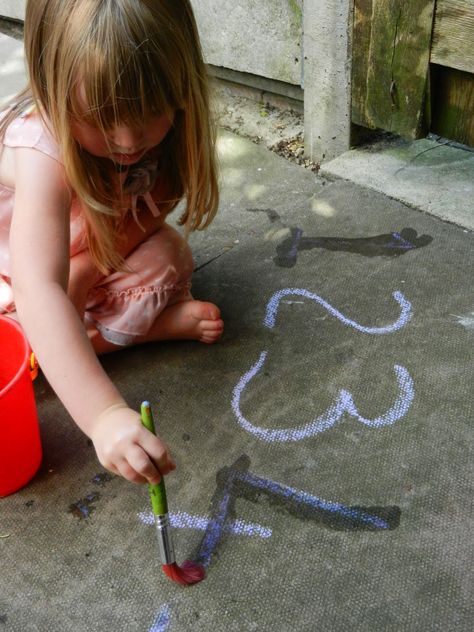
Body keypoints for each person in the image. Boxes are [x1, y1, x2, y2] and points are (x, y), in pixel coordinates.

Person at [0, 0, 224, 485]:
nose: (128, 139)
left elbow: (152, 212)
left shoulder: (171, 130)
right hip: (15, 259)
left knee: (170, 258)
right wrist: (102, 414)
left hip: (95, 254)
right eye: (100, 120)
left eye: (148, 113)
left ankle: (67, 341)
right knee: (28, 313)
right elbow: (36, 282)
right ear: (52, 87)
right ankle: (93, 336)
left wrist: (84, 273)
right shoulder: (41, 145)